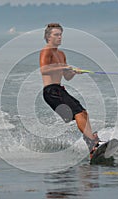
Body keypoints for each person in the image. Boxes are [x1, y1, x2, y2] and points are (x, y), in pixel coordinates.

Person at [39, 23, 101, 159]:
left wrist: (74, 72)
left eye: (61, 34)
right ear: (48, 37)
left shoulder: (61, 54)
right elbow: (44, 69)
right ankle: (92, 143)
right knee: (78, 112)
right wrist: (62, 66)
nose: (60, 37)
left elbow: (67, 77)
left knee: (83, 112)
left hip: (60, 89)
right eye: (56, 35)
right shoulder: (46, 51)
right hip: (51, 91)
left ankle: (92, 144)